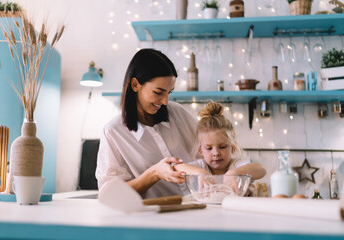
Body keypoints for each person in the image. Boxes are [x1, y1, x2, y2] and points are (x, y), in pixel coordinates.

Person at [96, 49, 197, 199]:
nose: (165, 102)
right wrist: (154, 173)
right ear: (135, 85)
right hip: (155, 215)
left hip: (199, 207)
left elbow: (210, 150)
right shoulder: (113, 131)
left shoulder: (177, 112)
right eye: (158, 92)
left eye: (169, 93)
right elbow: (109, 194)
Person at [174, 101, 266, 192]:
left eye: (222, 147)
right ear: (200, 151)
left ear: (233, 147)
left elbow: (261, 169)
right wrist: (201, 173)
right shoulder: (201, 166)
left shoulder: (236, 166)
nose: (216, 153)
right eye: (209, 148)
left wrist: (234, 173)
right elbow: (176, 167)